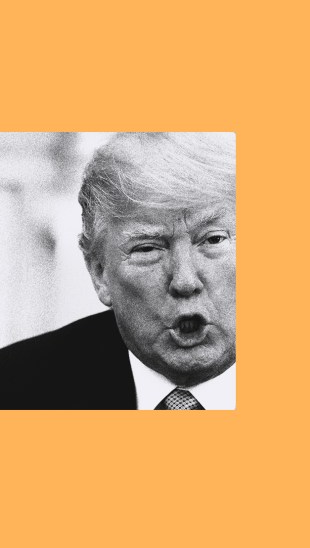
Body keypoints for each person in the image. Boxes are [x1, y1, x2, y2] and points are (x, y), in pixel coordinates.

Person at [0, 133, 236, 410]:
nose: (185, 281)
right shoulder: (14, 389)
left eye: (214, 240)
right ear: (100, 274)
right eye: (147, 249)